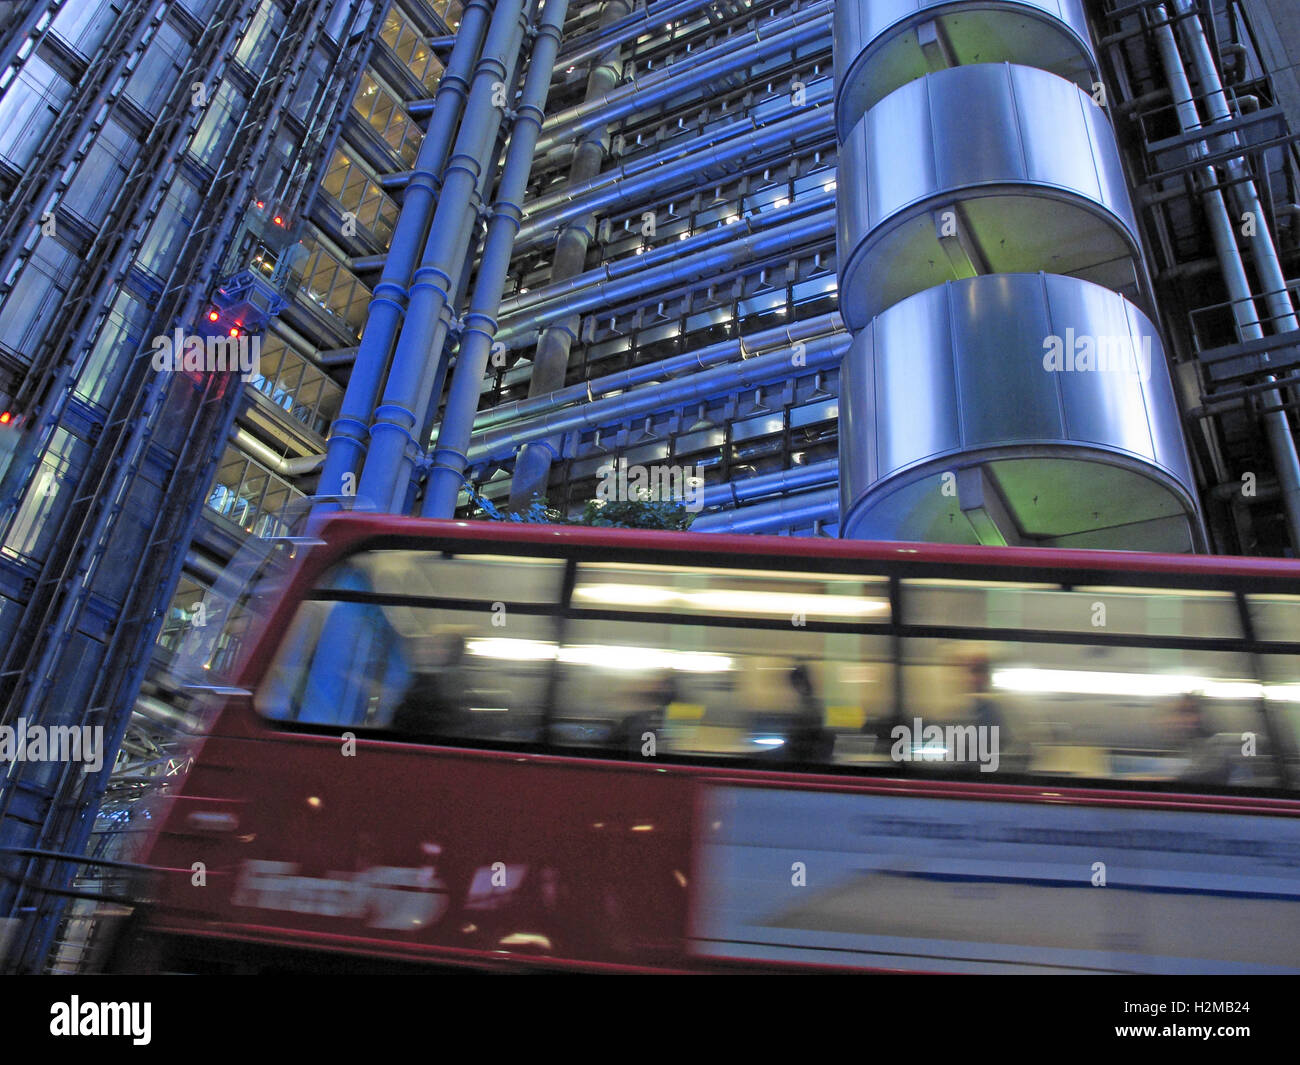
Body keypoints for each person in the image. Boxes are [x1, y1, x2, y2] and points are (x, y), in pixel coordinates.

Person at [390, 632, 471, 738]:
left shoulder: (445, 685)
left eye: (434, 646)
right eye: (425, 646)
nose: (424, 651)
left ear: (452, 654)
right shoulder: (416, 679)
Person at [781, 661, 834, 764]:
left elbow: (800, 742)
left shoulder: (810, 709)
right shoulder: (812, 705)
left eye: (796, 683)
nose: (795, 688)